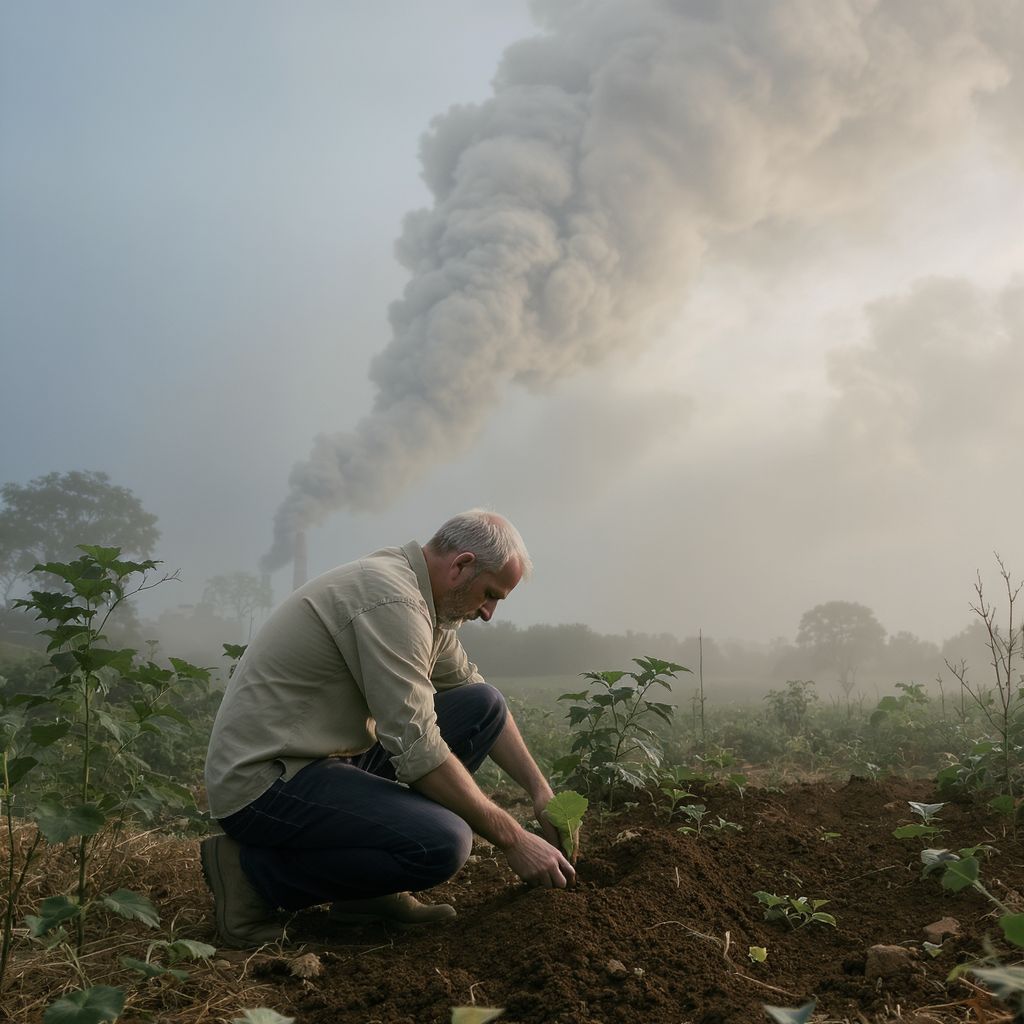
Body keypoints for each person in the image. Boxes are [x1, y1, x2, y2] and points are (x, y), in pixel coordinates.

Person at [201, 509, 574, 947]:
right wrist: (513, 838)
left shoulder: (425, 600)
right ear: (461, 566)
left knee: (483, 705)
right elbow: (417, 747)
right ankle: (251, 876)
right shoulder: (392, 600)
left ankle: (364, 896)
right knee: (444, 842)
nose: (489, 612)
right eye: (491, 594)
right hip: (265, 783)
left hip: (322, 762)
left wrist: (539, 790)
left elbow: (474, 690)